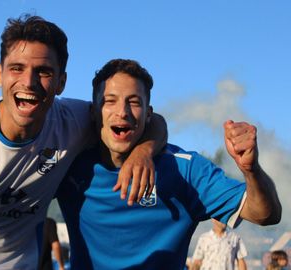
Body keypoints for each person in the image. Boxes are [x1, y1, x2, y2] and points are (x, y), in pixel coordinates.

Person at [0, 15, 167, 269]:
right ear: (0, 74)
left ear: (61, 82)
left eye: (44, 72)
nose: (29, 82)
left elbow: (154, 121)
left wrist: (142, 152)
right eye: (17, 68)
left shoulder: (74, 121)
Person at [56, 59, 282, 269]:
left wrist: (251, 171)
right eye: (109, 101)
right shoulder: (68, 163)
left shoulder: (186, 169)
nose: (122, 112)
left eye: (134, 102)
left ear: (148, 114)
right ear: (93, 112)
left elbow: (265, 214)